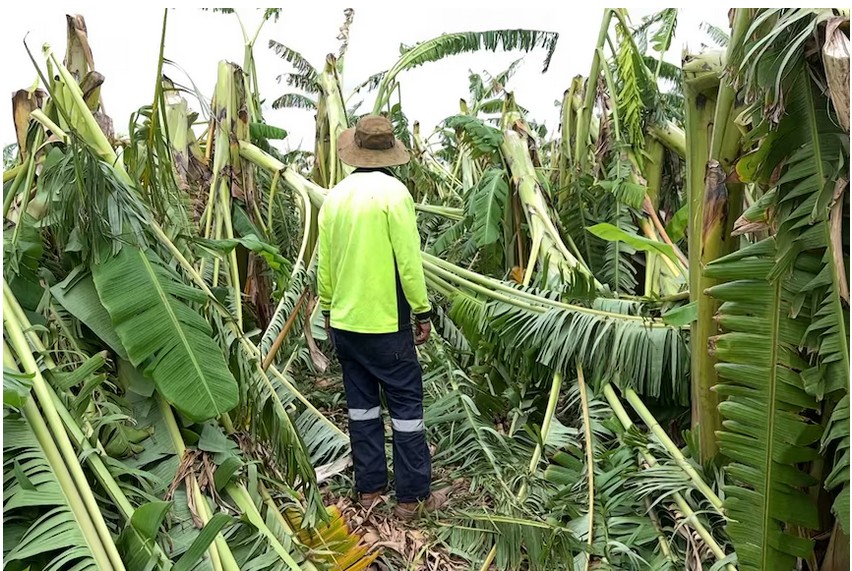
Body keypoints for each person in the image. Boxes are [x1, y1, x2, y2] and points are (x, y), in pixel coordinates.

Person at [317, 115, 449, 519]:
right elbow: (408, 263)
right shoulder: (395, 194)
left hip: (345, 322)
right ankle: (411, 497)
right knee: (406, 409)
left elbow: (325, 265)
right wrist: (423, 311)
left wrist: (327, 309)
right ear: (390, 153)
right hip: (386, 324)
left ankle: (370, 490)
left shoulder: (334, 198)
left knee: (361, 408)